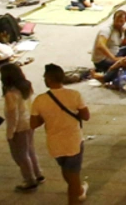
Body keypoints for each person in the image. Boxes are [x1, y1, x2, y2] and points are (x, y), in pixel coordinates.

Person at [30, 64, 89, 204]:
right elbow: (86, 116)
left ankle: (79, 190)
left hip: (54, 143)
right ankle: (76, 195)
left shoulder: (40, 100)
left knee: (67, 171)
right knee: (73, 176)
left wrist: (48, 116)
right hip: (73, 141)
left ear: (49, 79)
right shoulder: (74, 95)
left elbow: (33, 124)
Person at [0, 64, 42, 193]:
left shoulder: (10, 93)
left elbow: (13, 115)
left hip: (19, 127)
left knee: (20, 155)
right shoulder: (26, 86)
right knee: (30, 150)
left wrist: (10, 133)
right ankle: (38, 173)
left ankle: (29, 180)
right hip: (29, 122)